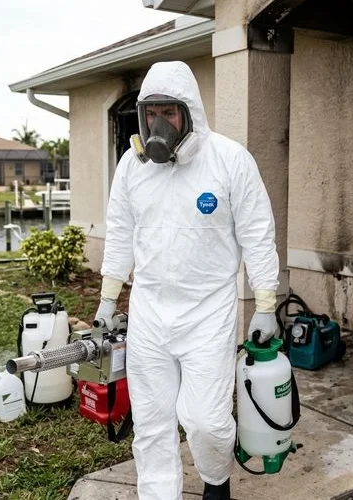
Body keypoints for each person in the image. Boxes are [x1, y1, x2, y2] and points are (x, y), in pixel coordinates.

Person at [95, 60, 280, 500]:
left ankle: (216, 484)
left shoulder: (230, 160)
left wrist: (267, 304)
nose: (159, 123)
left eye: (169, 113)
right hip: (149, 314)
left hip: (208, 313)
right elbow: (119, 232)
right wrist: (108, 298)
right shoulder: (132, 167)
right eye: (151, 113)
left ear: (190, 111)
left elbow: (258, 234)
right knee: (153, 421)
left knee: (206, 420)